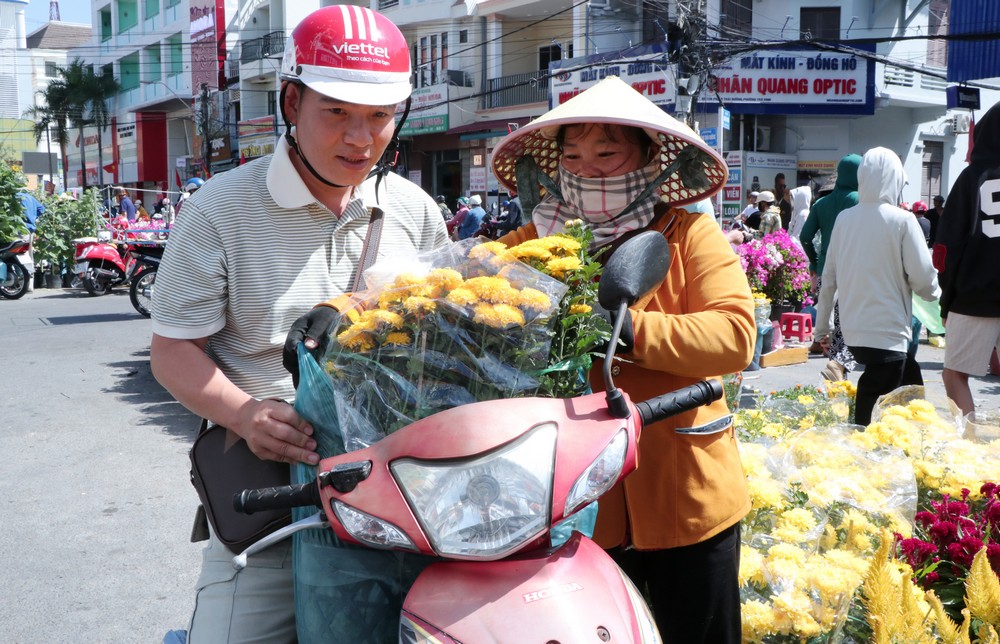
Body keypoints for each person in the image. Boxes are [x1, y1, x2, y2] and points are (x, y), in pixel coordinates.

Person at [149, 6, 448, 642]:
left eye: (379, 116)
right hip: (279, 499)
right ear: (292, 101)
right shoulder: (219, 209)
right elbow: (173, 350)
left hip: (401, 489)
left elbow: (441, 339)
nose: (361, 138)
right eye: (336, 112)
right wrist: (245, 415)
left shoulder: (416, 211)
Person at [490, 75, 755, 642]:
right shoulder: (533, 245)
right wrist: (341, 310)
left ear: (650, 159)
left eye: (607, 153)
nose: (587, 169)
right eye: (574, 156)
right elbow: (447, 287)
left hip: (686, 494)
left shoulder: (688, 236)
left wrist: (628, 329)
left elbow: (735, 335)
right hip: (581, 498)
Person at [814, 147, 940, 426]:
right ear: (895, 180)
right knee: (879, 395)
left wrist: (821, 327)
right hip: (888, 331)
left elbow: (829, 279)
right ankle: (864, 445)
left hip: (854, 330)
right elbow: (923, 278)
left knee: (910, 383)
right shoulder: (902, 220)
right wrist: (935, 294)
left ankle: (912, 439)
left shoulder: (844, 219)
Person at [933, 101, 1000, 418]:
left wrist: (947, 299)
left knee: (954, 374)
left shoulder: (971, 178)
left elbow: (946, 249)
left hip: (973, 295)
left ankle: (970, 448)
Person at [800, 154, 862, 378]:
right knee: (845, 312)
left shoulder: (821, 204)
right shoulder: (859, 200)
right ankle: (839, 360)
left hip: (827, 263)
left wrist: (814, 262)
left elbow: (805, 236)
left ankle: (823, 343)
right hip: (851, 264)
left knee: (827, 305)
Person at [17, 190, 45, 292]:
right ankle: (30, 286)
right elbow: (42, 209)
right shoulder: (30, 197)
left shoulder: (15, 197)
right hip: (30, 229)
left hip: (19, 230)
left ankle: (21, 284)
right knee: (29, 256)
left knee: (17, 256)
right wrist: (33, 218)